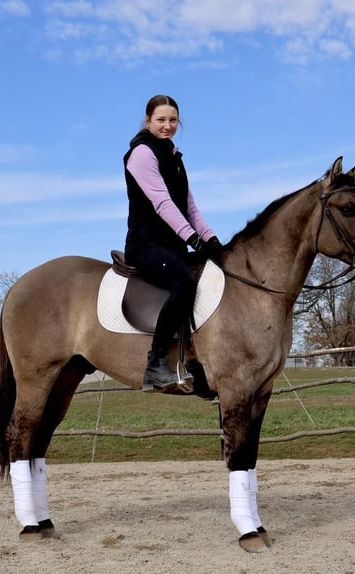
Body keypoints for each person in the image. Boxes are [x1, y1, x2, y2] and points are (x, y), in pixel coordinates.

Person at [123, 94, 223, 392]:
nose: (167, 126)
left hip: (173, 246)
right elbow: (163, 204)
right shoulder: (142, 154)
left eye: (173, 120)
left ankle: (195, 363)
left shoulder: (175, 157)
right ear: (148, 121)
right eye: (161, 120)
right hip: (146, 244)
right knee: (183, 281)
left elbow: (190, 208)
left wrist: (213, 241)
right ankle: (155, 365)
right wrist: (193, 238)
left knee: (205, 277)